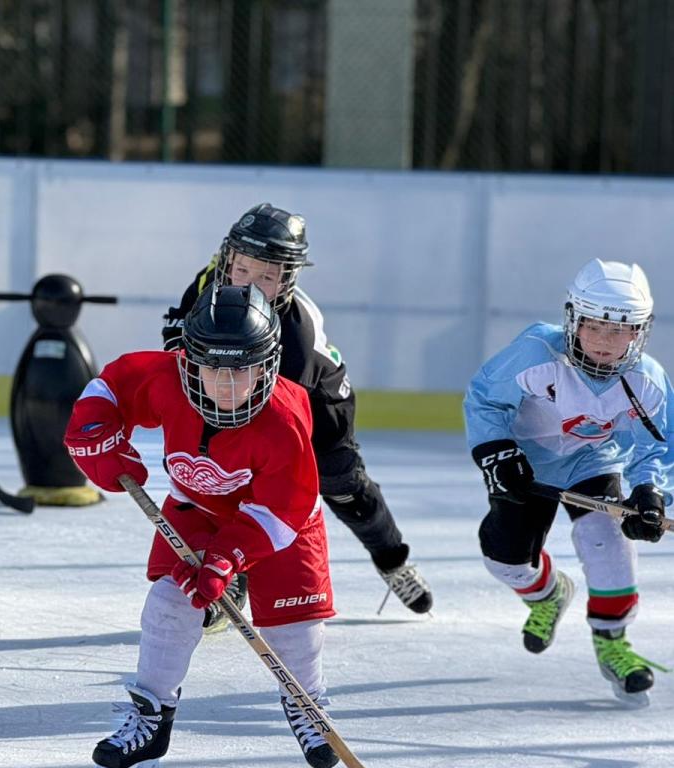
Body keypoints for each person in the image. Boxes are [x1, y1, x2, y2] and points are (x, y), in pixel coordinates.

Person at [64, 283, 339, 768]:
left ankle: (306, 701)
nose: (229, 385)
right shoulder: (166, 380)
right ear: (189, 362)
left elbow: (285, 507)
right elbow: (112, 385)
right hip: (196, 508)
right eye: (215, 369)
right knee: (170, 604)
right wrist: (93, 432)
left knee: (293, 624)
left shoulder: (285, 417)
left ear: (268, 365)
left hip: (277, 523)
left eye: (243, 369)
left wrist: (226, 558)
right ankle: (150, 723)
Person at [161, 203, 433, 630]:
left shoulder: (298, 336)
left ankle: (391, 559)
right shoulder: (208, 283)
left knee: (344, 488)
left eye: (268, 276)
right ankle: (235, 576)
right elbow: (176, 345)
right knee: (226, 471)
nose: (251, 282)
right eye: (244, 268)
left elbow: (274, 426)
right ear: (228, 258)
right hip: (235, 390)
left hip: (314, 403)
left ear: (288, 278)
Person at [464, 258, 671, 704]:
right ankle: (547, 594)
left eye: (620, 330)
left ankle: (613, 640)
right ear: (573, 320)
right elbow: (485, 400)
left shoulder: (648, 379)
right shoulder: (535, 353)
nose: (604, 341)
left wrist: (649, 492)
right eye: (595, 326)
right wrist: (497, 451)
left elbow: (658, 445)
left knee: (608, 540)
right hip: (526, 466)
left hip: (593, 463)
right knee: (505, 560)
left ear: (639, 332)